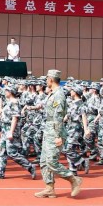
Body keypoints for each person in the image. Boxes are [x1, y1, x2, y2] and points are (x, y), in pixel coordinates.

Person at [35, 69, 82, 198]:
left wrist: (57, 136)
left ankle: (73, 179)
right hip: (49, 129)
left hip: (55, 131)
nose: (45, 81)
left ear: (50, 79)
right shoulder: (53, 93)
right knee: (44, 161)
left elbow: (58, 116)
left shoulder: (58, 94)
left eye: (46, 79)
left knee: (51, 161)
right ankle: (49, 188)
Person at [0, 84, 36, 180]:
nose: (5, 92)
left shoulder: (14, 102)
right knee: (1, 151)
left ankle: (29, 166)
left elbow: (15, 118)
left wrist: (11, 132)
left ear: (10, 92)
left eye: (6, 91)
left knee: (12, 152)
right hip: (5, 128)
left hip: (11, 129)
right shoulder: (9, 102)